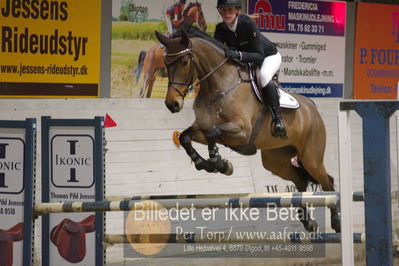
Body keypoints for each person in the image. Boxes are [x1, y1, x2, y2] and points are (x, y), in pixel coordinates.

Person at [214, 0, 286, 137]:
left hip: (268, 57)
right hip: (246, 60)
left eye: (230, 10)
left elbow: (259, 56)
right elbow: (217, 53)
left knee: (264, 76)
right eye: (223, 10)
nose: (226, 13)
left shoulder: (248, 24)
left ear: (237, 10)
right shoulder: (220, 29)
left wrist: (238, 54)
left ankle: (278, 120)